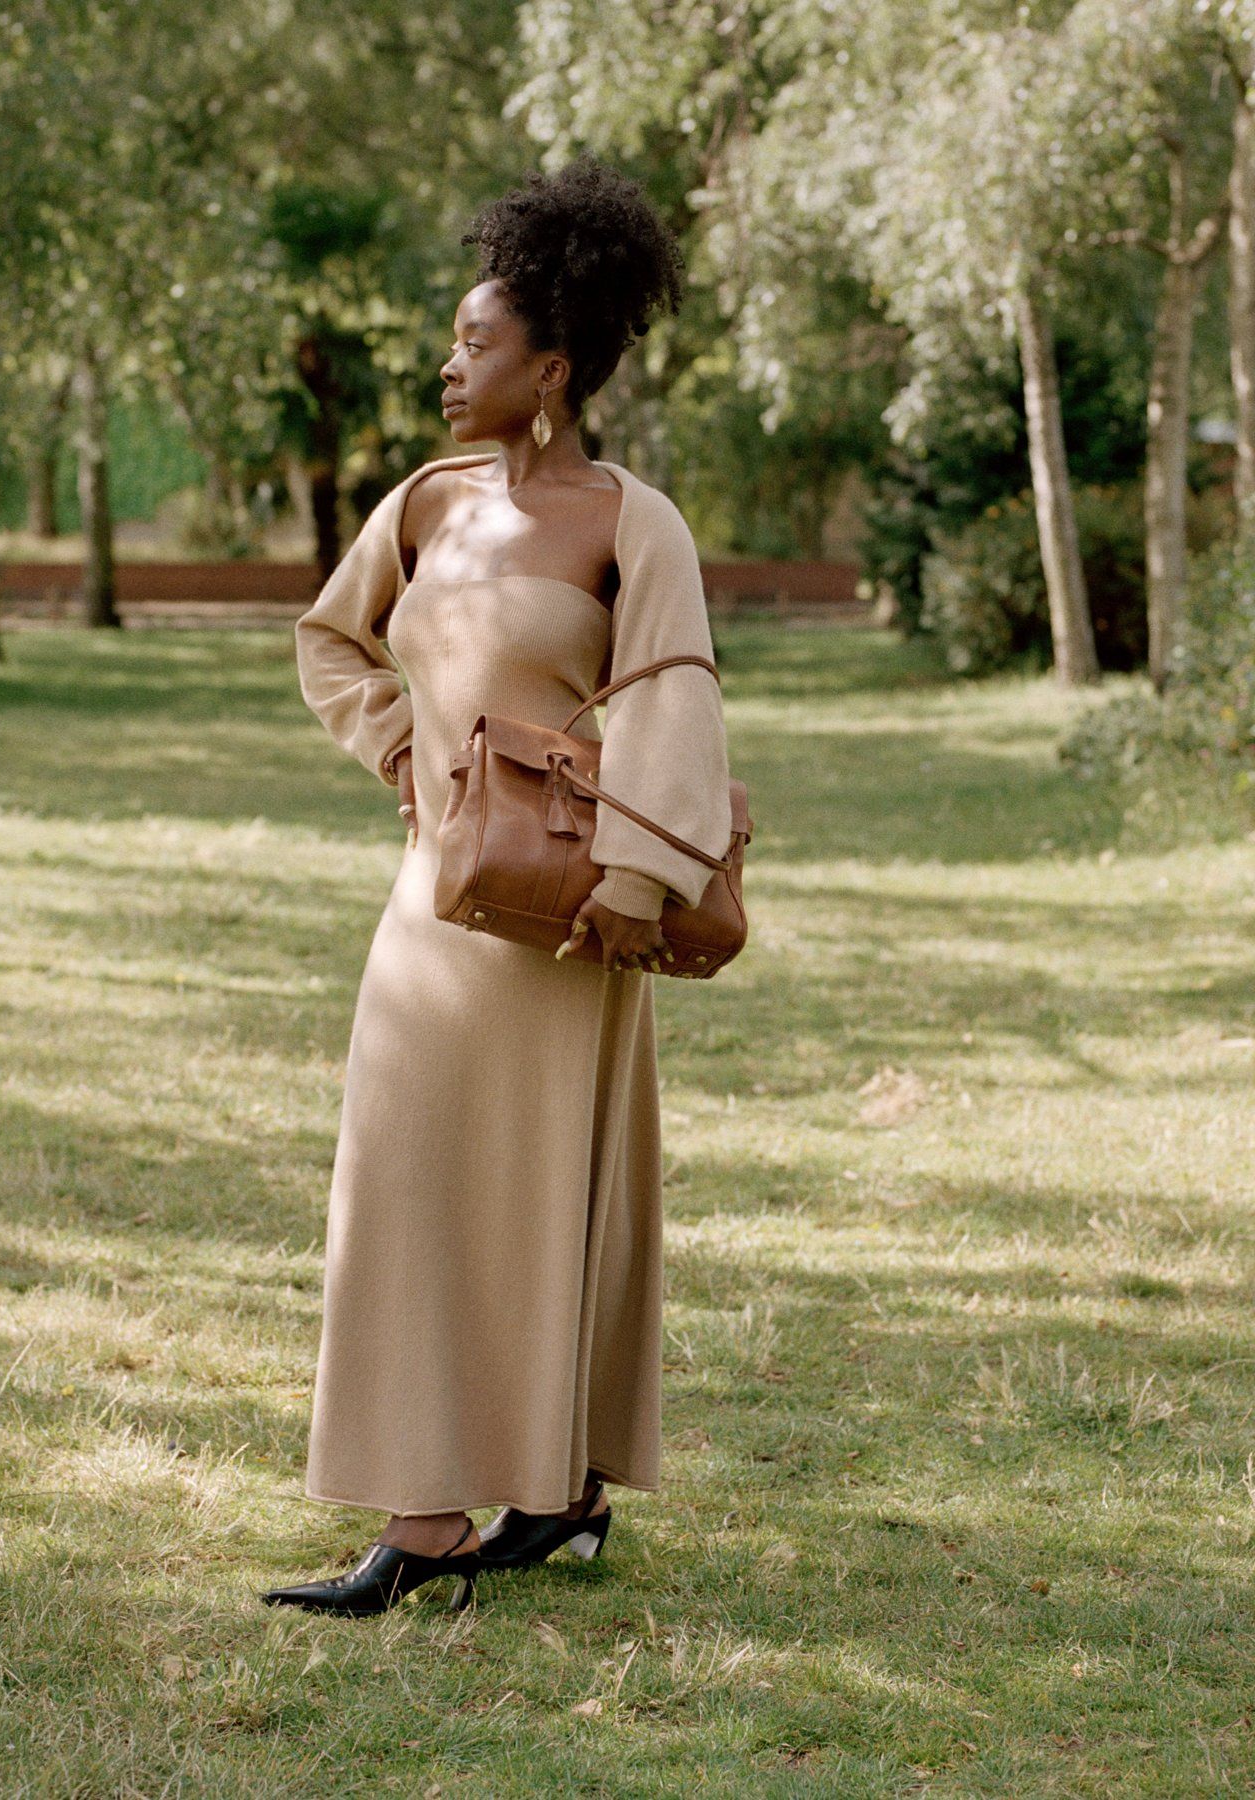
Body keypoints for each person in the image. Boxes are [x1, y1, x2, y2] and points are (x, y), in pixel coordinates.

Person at [262, 154, 733, 1617]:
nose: (448, 365)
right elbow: (333, 644)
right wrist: (402, 747)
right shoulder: (421, 503)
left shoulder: (629, 521)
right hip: (433, 903)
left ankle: (557, 1497)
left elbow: (673, 701)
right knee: (401, 1178)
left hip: (575, 913)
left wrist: (643, 889)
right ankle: (429, 1516)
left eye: (478, 345)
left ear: (555, 370)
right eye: (454, 340)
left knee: (550, 1197)